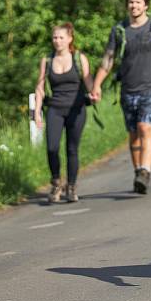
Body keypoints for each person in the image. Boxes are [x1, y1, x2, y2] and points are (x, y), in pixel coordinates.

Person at [91, 0, 151, 195]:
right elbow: (108, 60)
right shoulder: (119, 30)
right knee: (133, 135)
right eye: (131, 2)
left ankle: (145, 172)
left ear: (146, 5)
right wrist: (96, 85)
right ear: (127, 5)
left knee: (145, 128)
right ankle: (138, 171)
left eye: (138, 2)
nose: (134, 6)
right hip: (127, 90)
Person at [34, 23, 94, 203]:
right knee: (52, 147)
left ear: (70, 39)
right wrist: (36, 112)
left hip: (76, 109)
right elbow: (40, 87)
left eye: (61, 37)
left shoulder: (79, 58)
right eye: (54, 38)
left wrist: (93, 92)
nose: (57, 41)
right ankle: (56, 182)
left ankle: (72, 186)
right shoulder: (48, 60)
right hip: (55, 109)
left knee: (71, 149)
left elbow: (88, 79)